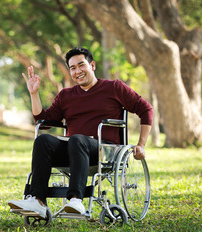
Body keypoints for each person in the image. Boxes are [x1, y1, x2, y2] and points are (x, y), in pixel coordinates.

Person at [8, 47, 153, 218]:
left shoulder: (114, 87)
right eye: (73, 68)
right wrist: (34, 93)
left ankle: (76, 200)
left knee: (77, 140)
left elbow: (146, 109)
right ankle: (37, 201)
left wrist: (141, 145)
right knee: (43, 140)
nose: (77, 71)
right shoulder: (66, 95)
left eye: (81, 65)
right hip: (74, 150)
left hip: (104, 150)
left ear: (92, 65)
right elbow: (43, 121)